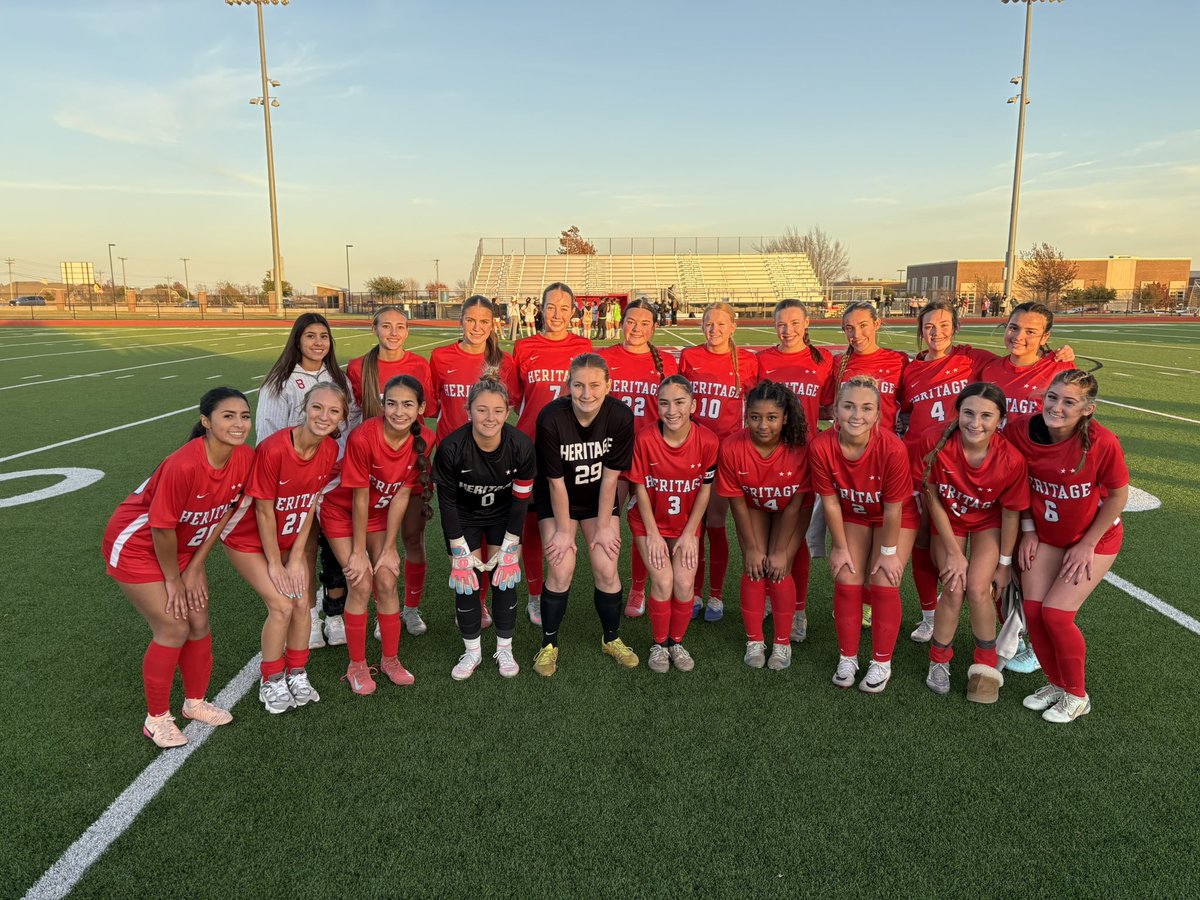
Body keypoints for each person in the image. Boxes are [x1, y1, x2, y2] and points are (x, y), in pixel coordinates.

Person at [899, 300, 1072, 643]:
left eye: (944, 325)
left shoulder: (975, 361)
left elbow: (1029, 372)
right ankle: (931, 615)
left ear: (956, 328)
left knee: (1018, 559)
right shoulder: (913, 368)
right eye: (929, 326)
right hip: (935, 464)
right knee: (925, 542)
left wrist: (1060, 354)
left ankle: (1017, 636)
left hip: (1008, 471)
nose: (936, 332)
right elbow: (903, 411)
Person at [101, 387, 255, 747]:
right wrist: (173, 579)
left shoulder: (244, 458)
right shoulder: (183, 464)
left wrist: (195, 566)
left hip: (183, 549)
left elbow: (224, 512)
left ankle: (194, 703)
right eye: (228, 416)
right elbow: (160, 528)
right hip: (137, 546)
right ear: (206, 421)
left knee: (198, 621)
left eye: (244, 416)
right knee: (173, 625)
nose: (238, 423)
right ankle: (156, 719)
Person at [1008, 370, 1130, 723]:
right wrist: (1029, 530)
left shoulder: (1103, 442)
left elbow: (1118, 495)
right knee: (1033, 612)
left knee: (1057, 614)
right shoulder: (1020, 430)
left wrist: (1087, 544)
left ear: (1088, 409)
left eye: (1069, 402)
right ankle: (1057, 684)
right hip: (1046, 534)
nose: (1056, 407)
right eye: (1052, 397)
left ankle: (1078, 695)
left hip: (1094, 538)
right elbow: (1018, 485)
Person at [223, 384, 345, 713]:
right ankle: (272, 678)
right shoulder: (274, 449)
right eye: (317, 407)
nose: (324, 416)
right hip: (248, 540)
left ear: (341, 418)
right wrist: (276, 563)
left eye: (334, 411)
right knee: (281, 606)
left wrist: (296, 557)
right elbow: (263, 511)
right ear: (304, 408)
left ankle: (297, 672)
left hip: (288, 540)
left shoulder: (330, 449)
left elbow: (309, 504)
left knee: (302, 603)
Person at [974, 301, 1076, 672]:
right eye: (1014, 327)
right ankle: (1011, 635)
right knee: (1002, 565)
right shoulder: (990, 369)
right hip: (997, 480)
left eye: (1031, 331)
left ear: (1046, 336)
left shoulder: (1059, 369)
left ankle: (1031, 639)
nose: (1019, 336)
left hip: (1040, 484)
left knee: (1030, 565)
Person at [914, 383, 1030, 703]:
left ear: (1001, 420)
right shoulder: (934, 441)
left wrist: (1004, 564)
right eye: (968, 413)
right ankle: (939, 660)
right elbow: (932, 498)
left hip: (988, 523)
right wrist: (954, 553)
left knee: (979, 588)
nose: (975, 423)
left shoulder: (1011, 459)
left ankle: (985, 666)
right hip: (949, 520)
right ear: (958, 412)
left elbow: (1010, 514)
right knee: (953, 586)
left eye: (986, 416)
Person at [319, 375, 430, 695]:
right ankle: (356, 665)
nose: (399, 411)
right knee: (360, 582)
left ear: (421, 408)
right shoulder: (364, 436)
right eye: (391, 403)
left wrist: (390, 547)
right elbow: (358, 498)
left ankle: (390, 660)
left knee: (387, 579)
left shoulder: (425, 439)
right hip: (342, 512)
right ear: (382, 405)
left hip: (378, 514)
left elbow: (401, 495)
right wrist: (357, 552)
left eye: (407, 405)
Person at [809, 375, 919, 694]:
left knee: (884, 580)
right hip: (854, 513)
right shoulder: (821, 446)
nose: (856, 415)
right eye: (849, 406)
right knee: (846, 575)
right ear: (835, 410)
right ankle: (848, 658)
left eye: (866, 408)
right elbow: (830, 502)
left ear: (878, 414)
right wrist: (839, 547)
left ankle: (882, 662)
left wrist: (888, 553)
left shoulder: (892, 448)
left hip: (893, 516)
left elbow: (894, 509)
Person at [255, 312, 357, 651]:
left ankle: (335, 613)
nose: (318, 342)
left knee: (336, 549)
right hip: (297, 480)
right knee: (305, 547)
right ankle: (309, 614)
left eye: (323, 336)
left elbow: (351, 424)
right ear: (297, 340)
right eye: (310, 335)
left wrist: (347, 465)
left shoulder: (338, 378)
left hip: (335, 475)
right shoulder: (280, 381)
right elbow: (267, 432)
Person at [531, 353, 637, 677]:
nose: (586, 393)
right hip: (556, 498)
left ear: (608, 385)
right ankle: (549, 644)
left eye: (594, 385)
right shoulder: (550, 418)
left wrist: (604, 526)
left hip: (596, 499)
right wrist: (564, 532)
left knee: (606, 565)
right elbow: (555, 482)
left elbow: (610, 479)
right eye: (578, 385)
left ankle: (611, 638)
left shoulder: (620, 416)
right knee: (561, 567)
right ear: (568, 385)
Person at [433, 373, 536, 680]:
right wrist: (458, 549)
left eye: (497, 410)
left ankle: (505, 648)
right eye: (481, 409)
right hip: (464, 517)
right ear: (468, 411)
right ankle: (472, 651)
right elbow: (447, 504)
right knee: (467, 579)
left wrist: (511, 543)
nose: (490, 417)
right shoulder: (451, 447)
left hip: (504, 516)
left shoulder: (521, 445)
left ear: (508, 412)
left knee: (504, 578)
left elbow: (521, 500)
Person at [346, 306, 437, 636]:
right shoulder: (358, 367)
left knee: (413, 538)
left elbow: (428, 410)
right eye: (386, 326)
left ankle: (410, 608)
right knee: (377, 546)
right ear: (374, 329)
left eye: (400, 326)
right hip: (374, 469)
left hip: (410, 462)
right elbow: (352, 414)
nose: (394, 333)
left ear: (408, 331)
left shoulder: (419, 364)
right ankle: (383, 608)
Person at [512, 283, 593, 625]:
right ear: (540, 309)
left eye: (564, 307)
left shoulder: (583, 347)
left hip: (571, 450)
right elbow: (516, 400)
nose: (557, 314)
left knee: (565, 523)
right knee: (532, 524)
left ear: (573, 311)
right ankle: (535, 595)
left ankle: (557, 585)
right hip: (530, 447)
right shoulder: (524, 346)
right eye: (550, 306)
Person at [716, 381, 812, 670]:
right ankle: (754, 640)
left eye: (772, 417)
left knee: (780, 569)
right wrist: (751, 549)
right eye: (755, 417)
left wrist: (781, 551)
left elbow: (796, 504)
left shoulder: (801, 447)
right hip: (754, 506)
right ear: (746, 415)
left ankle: (782, 643)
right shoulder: (732, 447)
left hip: (791, 508)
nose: (762, 425)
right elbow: (737, 504)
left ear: (785, 417)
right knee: (755, 567)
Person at [627, 375, 719, 673]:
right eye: (664, 403)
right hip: (649, 522)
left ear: (693, 405)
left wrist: (691, 533)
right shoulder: (645, 439)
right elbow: (640, 488)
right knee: (664, 581)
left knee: (684, 584)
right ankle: (658, 644)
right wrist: (653, 534)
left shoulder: (708, 441)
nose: (671, 410)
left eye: (679, 402)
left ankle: (675, 642)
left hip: (685, 524)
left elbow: (704, 490)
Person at [755, 298, 833, 640]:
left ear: (807, 323)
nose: (787, 330)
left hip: (804, 459)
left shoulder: (824, 360)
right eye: (781, 324)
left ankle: (798, 608)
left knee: (796, 539)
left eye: (794, 323)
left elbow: (829, 405)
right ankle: (770, 596)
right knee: (767, 531)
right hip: (766, 457)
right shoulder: (762, 359)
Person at [679, 301, 761, 621]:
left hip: (726, 454)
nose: (714, 330)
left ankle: (716, 594)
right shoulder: (689, 356)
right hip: (693, 451)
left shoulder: (748, 361)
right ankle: (694, 591)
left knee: (714, 523)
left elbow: (756, 407)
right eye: (709, 324)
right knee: (694, 526)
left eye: (721, 324)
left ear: (733, 327)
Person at [598, 297, 680, 617]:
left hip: (651, 456)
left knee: (646, 527)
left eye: (645, 323)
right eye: (631, 321)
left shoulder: (667, 364)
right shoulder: (605, 358)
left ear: (654, 328)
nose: (636, 328)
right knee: (608, 525)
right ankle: (609, 585)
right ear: (621, 323)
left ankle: (637, 588)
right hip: (612, 456)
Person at [820, 300, 909, 433]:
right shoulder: (838, 363)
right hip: (846, 442)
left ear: (876, 324)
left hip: (884, 442)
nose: (856, 334)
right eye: (849, 328)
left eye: (863, 325)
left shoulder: (899, 360)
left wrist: (902, 420)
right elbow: (828, 408)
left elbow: (910, 405)